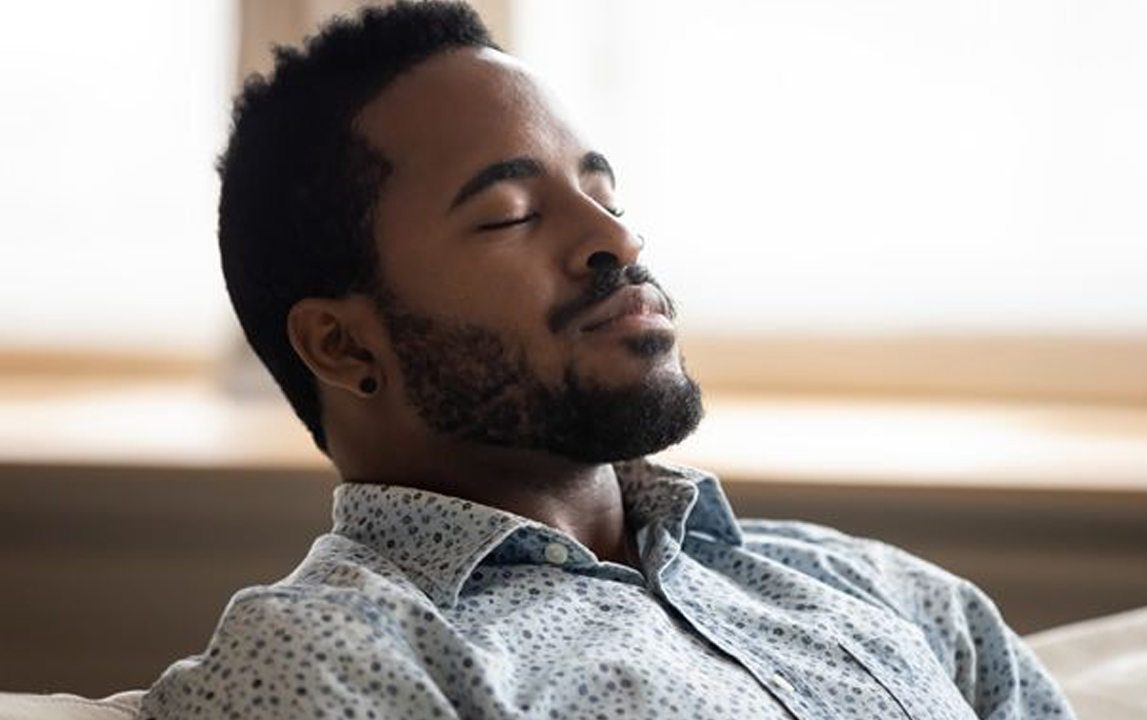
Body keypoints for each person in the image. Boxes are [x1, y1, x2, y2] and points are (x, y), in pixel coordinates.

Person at [140, 3, 1077, 718]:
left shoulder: (876, 590)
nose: (617, 238)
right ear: (343, 344)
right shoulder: (330, 661)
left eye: (605, 190)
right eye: (509, 215)